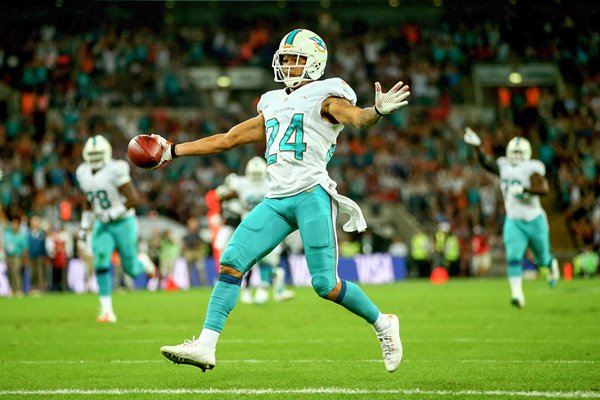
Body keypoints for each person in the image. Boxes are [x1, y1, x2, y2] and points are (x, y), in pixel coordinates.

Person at [153, 28, 409, 373]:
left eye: (296, 60)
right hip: (276, 199)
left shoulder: (327, 96)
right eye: (285, 59)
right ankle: (206, 345)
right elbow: (229, 139)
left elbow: (357, 118)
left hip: (311, 195)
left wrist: (376, 111)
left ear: (315, 64)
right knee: (231, 261)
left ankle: (383, 323)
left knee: (325, 284)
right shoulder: (272, 101)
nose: (288, 66)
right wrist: (172, 150)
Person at [463, 128, 559, 308]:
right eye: (513, 152)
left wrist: (525, 190)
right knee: (513, 257)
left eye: (519, 152)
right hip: (514, 220)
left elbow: (544, 189)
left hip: (534, 219)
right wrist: (477, 147)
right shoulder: (504, 166)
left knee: (542, 259)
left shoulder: (532, 168)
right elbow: (486, 163)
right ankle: (517, 294)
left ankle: (551, 264)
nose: (516, 155)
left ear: (527, 153)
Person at [76, 134, 155, 323]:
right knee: (101, 261)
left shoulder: (116, 169)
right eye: (92, 154)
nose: (95, 158)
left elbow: (134, 200)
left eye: (98, 154)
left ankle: (142, 262)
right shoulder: (82, 172)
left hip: (123, 222)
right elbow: (89, 201)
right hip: (103, 224)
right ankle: (106, 311)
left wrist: (111, 214)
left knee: (131, 270)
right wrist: (84, 226)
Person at [216, 156, 295, 304]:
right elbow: (220, 193)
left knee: (271, 260)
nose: (257, 178)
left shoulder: (272, 182)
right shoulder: (240, 183)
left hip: (268, 226)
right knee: (247, 260)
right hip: (248, 226)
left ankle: (267, 289)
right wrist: (225, 193)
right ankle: (248, 290)